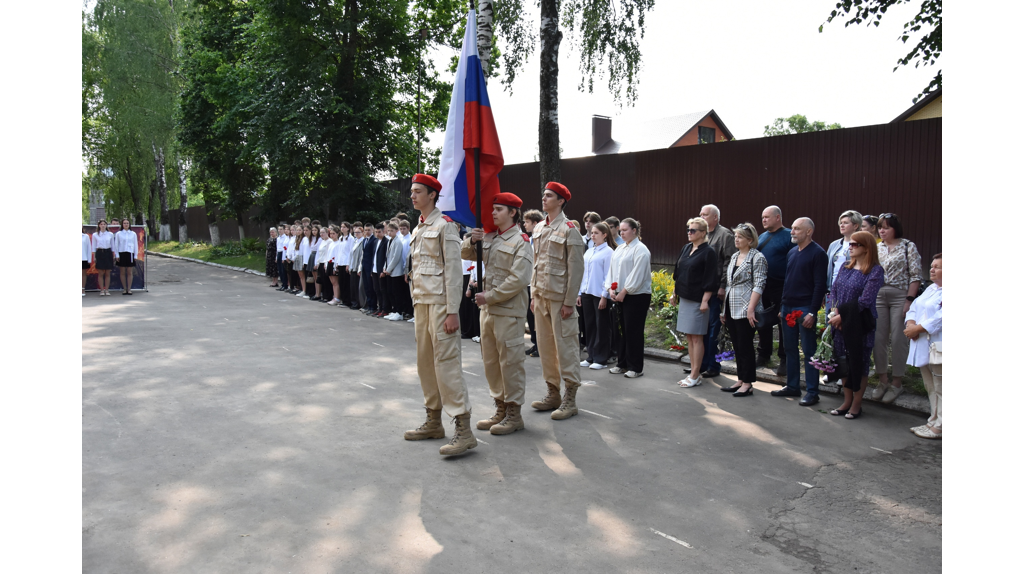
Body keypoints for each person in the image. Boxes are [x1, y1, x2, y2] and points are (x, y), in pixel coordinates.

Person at [403, 174, 478, 456]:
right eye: (412, 191)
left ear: (433, 195)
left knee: (447, 365)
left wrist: (452, 312)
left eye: (418, 191)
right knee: (425, 365)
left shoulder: (445, 227)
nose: (412, 196)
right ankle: (433, 421)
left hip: (440, 307)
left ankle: (464, 429)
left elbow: (453, 273)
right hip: (421, 305)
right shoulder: (419, 228)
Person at [462, 192, 533, 435]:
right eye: (493, 209)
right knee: (491, 362)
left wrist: (489, 296)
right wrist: (472, 239)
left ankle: (514, 415)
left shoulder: (521, 241)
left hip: (508, 311)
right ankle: (500, 408)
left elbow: (519, 279)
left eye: (499, 209)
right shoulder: (491, 237)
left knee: (510, 363)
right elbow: (466, 254)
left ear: (513, 213)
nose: (493, 213)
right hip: (488, 310)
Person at [529, 182, 586, 420]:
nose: (544, 198)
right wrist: (533, 294)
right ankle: (552, 393)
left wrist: (569, 302)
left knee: (566, 348)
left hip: (560, 299)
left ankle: (570, 399)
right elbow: (536, 263)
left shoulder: (570, 228)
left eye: (549, 196)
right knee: (545, 347)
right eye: (543, 194)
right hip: (541, 297)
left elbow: (576, 269)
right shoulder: (540, 227)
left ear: (561, 201)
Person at [825, 231, 885, 419]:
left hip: (860, 323)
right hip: (840, 321)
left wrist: (842, 317)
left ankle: (856, 405)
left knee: (859, 362)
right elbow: (834, 290)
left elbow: (865, 300)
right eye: (849, 244)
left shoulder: (875, 271)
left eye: (854, 245)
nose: (849, 247)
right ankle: (846, 400)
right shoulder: (845, 266)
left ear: (867, 247)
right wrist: (835, 312)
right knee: (843, 361)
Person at [770, 217, 828, 406]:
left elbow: (820, 285)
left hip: (805, 308)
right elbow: (788, 280)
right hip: (788, 307)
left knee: (809, 350)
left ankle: (812, 391)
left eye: (796, 229)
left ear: (809, 231)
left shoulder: (818, 254)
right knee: (789, 348)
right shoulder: (792, 252)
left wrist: (812, 312)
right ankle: (792, 386)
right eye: (792, 228)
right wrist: (782, 306)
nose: (792, 232)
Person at [869, 213, 923, 404]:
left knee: (899, 339)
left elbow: (916, 275)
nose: (882, 230)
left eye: (886, 227)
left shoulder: (908, 246)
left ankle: (897, 382)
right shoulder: (876, 247)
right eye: (880, 227)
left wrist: (909, 300)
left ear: (895, 229)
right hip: (878, 295)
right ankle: (882, 380)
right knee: (878, 337)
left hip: (901, 294)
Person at [719, 223, 767, 397]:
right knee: (737, 345)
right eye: (735, 236)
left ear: (750, 239)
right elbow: (729, 284)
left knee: (746, 346)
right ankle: (740, 379)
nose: (736, 239)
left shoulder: (757, 257)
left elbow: (759, 284)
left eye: (740, 237)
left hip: (747, 308)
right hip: (731, 307)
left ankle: (747, 383)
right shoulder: (734, 256)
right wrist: (724, 310)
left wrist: (751, 309)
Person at [672, 217, 717, 387]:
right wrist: (674, 293)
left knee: (697, 338)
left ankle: (695, 374)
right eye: (688, 230)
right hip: (685, 297)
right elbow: (678, 272)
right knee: (690, 337)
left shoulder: (708, 252)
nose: (689, 233)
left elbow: (711, 278)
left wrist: (705, 301)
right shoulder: (686, 248)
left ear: (703, 233)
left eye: (693, 230)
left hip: (698, 300)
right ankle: (694, 372)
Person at [606, 218, 652, 378]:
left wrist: (624, 291)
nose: (622, 233)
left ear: (634, 230)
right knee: (620, 331)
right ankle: (622, 363)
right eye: (621, 231)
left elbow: (637, 275)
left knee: (633, 331)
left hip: (636, 296)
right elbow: (613, 270)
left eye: (625, 230)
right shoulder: (620, 249)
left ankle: (635, 367)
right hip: (619, 295)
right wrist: (611, 289)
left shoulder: (641, 250)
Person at [904, 253, 942, 438]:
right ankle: (933, 419)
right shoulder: (931, 289)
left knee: (942, 386)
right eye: (932, 266)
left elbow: (941, 317)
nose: (932, 269)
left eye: (938, 267)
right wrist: (910, 323)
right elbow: (914, 307)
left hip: (939, 344)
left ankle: (941, 426)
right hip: (923, 343)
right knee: (931, 385)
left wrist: (918, 328)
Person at [756, 206, 795, 375]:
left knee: (783, 322)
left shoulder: (788, 236)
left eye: (767, 217)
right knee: (762, 320)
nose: (763, 220)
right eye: (762, 217)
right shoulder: (762, 236)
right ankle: (763, 354)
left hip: (782, 286)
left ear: (777, 217)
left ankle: (784, 359)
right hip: (764, 285)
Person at [699, 204, 737, 378]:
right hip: (701, 290)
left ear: (715, 218)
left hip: (716, 291)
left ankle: (714, 366)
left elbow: (730, 262)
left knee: (715, 330)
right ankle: (700, 364)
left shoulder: (725, 235)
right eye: (700, 214)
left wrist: (723, 286)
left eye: (705, 214)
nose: (701, 216)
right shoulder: (700, 235)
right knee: (701, 329)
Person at [578, 222, 615, 370]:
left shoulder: (608, 252)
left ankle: (601, 358)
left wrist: (604, 296)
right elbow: (583, 274)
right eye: (592, 233)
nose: (592, 235)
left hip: (599, 294)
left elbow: (609, 275)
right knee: (590, 326)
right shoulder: (589, 251)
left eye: (596, 233)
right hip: (587, 292)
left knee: (602, 326)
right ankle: (591, 356)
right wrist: (580, 293)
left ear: (604, 235)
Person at [522, 209, 545, 357]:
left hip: (537, 283)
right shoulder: (529, 240)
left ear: (535, 223)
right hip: (528, 282)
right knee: (530, 316)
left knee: (538, 317)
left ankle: (541, 345)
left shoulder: (540, 239)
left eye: (527, 222)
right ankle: (535, 342)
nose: (524, 225)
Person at [825, 210, 863, 293]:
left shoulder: (862, 244)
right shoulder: (834, 245)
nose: (841, 225)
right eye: (840, 223)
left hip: (851, 289)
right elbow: (827, 266)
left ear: (855, 226)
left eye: (845, 223)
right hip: (832, 289)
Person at [383, 222, 405, 319]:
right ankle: (394, 310)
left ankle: (399, 312)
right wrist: (385, 267)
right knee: (390, 291)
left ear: (397, 231)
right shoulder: (390, 241)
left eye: (392, 231)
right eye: (388, 231)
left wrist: (388, 269)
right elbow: (387, 256)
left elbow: (396, 257)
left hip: (396, 271)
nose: (389, 233)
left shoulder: (398, 241)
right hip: (389, 271)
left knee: (397, 292)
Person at [114, 218, 138, 295]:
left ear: (129, 224)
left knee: (129, 272)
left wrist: (135, 255)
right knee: (122, 272)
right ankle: (124, 289)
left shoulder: (133, 234)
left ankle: (129, 289)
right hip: (122, 253)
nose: (126, 224)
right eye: (124, 223)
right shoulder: (118, 234)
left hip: (130, 254)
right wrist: (117, 255)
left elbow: (135, 245)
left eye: (127, 223)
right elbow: (116, 245)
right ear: (122, 224)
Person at [92, 219, 115, 296]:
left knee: (107, 272)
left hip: (108, 253)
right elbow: (93, 247)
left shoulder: (110, 234)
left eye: (104, 224)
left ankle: (107, 290)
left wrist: (114, 255)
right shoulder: (95, 235)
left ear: (106, 225)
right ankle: (102, 290)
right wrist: (94, 257)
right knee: (101, 273)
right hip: (100, 253)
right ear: (99, 225)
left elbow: (113, 246)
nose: (103, 226)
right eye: (101, 224)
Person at [359, 222, 379, 313]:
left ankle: (373, 307)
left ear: (372, 230)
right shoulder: (364, 240)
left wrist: (371, 268)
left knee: (371, 287)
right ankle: (369, 306)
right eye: (366, 230)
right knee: (366, 287)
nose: (367, 232)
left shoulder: (374, 240)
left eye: (369, 230)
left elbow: (373, 255)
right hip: (364, 266)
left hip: (370, 267)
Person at [348, 223, 365, 310]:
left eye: (358, 232)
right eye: (355, 233)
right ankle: (353, 301)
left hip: (358, 266)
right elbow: (351, 255)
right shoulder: (355, 241)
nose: (356, 234)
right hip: (353, 266)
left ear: (362, 233)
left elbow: (361, 256)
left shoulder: (363, 241)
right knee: (352, 286)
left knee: (357, 286)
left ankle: (358, 303)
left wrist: (359, 268)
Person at [312, 226, 331, 301]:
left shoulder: (329, 241)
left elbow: (327, 254)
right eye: (320, 233)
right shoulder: (322, 241)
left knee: (327, 281)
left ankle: (327, 296)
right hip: (320, 262)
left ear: (327, 233)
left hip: (325, 262)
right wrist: (317, 263)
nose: (321, 234)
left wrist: (325, 264)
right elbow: (319, 253)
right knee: (322, 280)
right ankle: (323, 295)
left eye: (323, 232)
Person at [325, 226, 342, 305]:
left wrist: (335, 266)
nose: (331, 235)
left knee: (335, 282)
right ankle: (334, 296)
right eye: (330, 234)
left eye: (333, 234)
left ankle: (337, 298)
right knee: (332, 282)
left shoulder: (339, 243)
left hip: (334, 263)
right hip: (329, 262)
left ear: (338, 234)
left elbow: (337, 255)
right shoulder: (331, 243)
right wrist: (326, 264)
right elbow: (328, 254)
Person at [294, 225, 311, 298]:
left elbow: (305, 250)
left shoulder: (304, 238)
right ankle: (303, 289)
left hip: (302, 257)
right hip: (298, 257)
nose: (298, 232)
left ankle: (305, 290)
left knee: (304, 275)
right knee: (300, 275)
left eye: (300, 230)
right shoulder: (298, 239)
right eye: (297, 230)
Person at [275, 221, 289, 291]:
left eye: (281, 229)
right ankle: (282, 284)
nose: (280, 231)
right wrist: (276, 257)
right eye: (279, 229)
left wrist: (284, 257)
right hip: (279, 253)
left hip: (283, 253)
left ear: (284, 230)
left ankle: (285, 284)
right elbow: (277, 248)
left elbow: (285, 248)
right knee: (280, 270)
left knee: (283, 270)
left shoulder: (285, 238)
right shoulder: (278, 238)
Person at [82, 227, 93, 296]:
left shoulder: (85, 236)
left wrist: (89, 259)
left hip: (83, 258)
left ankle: (82, 289)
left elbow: (89, 248)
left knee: (83, 274)